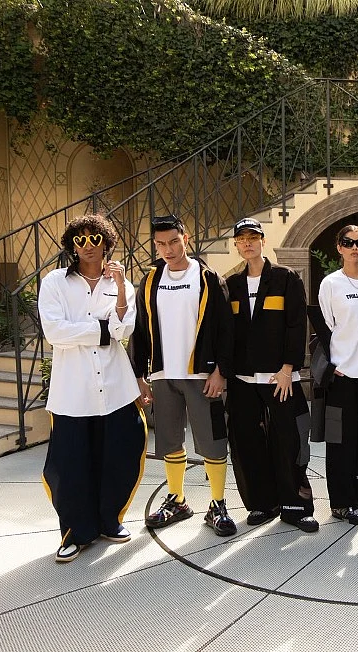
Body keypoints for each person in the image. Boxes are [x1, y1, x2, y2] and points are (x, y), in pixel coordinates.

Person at [39, 213, 145, 563]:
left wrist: (120, 292)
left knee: (118, 458)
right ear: (72, 245)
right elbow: (55, 332)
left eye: (94, 239)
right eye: (80, 239)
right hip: (73, 392)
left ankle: (109, 520)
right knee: (70, 466)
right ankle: (74, 532)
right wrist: (100, 330)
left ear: (106, 243)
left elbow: (123, 329)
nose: (87, 246)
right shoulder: (55, 282)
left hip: (116, 389)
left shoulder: (121, 283)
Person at [130, 215, 236, 536]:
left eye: (174, 242)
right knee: (169, 440)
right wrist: (139, 375)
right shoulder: (150, 280)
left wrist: (220, 371)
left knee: (212, 440)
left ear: (185, 239)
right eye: (161, 244)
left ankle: (217, 504)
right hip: (163, 373)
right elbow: (139, 330)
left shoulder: (207, 278)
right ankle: (177, 500)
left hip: (202, 374)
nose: (168, 249)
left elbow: (226, 329)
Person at [225, 217, 318, 533]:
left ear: (263, 241)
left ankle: (296, 507)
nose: (247, 243)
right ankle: (262, 504)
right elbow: (228, 333)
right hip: (243, 381)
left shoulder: (286, 278)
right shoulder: (232, 285)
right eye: (242, 239)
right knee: (247, 443)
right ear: (236, 245)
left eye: (253, 237)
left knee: (289, 442)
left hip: (280, 378)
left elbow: (296, 324)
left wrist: (289, 368)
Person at [316, 225, 358, 526]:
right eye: (348, 243)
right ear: (339, 248)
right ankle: (342, 503)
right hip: (342, 376)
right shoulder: (330, 283)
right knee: (340, 442)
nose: (354, 248)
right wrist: (333, 366)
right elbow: (324, 329)